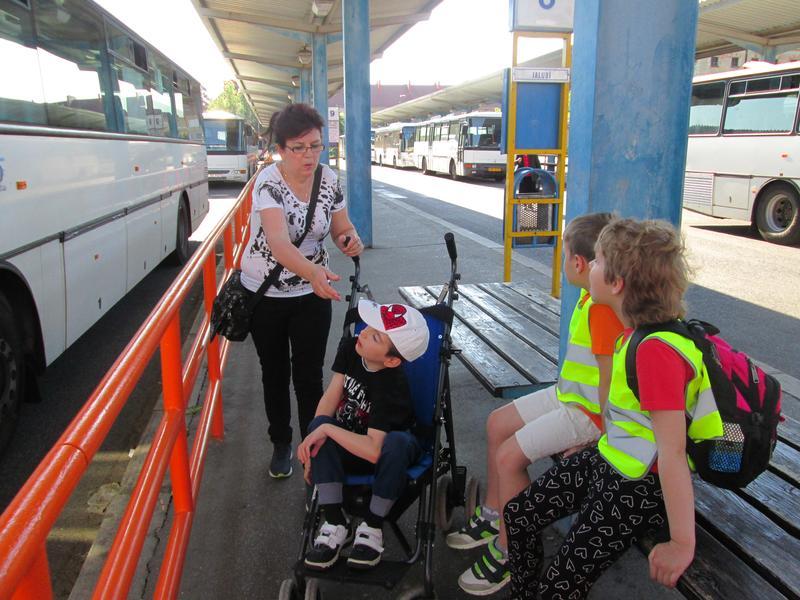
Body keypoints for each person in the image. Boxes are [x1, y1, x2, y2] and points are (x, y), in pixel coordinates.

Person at [502, 218, 724, 599]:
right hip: (611, 460)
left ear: (617, 283)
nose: (591, 265)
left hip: (639, 487)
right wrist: (592, 445)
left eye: (599, 260)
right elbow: (629, 417)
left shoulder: (656, 352)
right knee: (518, 514)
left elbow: (672, 452)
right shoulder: (634, 333)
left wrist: (680, 543)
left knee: (559, 585)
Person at [448, 212, 623, 596]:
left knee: (509, 456)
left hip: (588, 415)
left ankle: (511, 549)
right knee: (497, 424)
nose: (562, 262)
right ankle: (494, 514)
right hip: (568, 396)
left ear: (579, 263)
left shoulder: (602, 311)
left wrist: (600, 441)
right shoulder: (590, 298)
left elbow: (611, 385)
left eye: (564, 254)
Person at [242, 103, 363, 479]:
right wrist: (313, 272)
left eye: (315, 146)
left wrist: (349, 239)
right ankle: (281, 443)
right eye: (298, 148)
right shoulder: (268, 183)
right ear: (280, 149)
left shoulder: (329, 179)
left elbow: (341, 225)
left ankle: (313, 447)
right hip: (266, 294)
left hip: (313, 293)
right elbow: (279, 244)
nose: (309, 155)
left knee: (310, 375)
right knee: (274, 373)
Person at [298, 299, 430, 571]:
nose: (364, 333)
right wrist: (314, 438)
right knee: (318, 425)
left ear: (391, 360)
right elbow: (331, 396)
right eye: (369, 326)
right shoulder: (351, 348)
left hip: (387, 453)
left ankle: (372, 525)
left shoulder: (391, 384)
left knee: (396, 443)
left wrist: (326, 429)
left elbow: (373, 450)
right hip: (354, 440)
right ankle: (335, 521)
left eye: (376, 337)